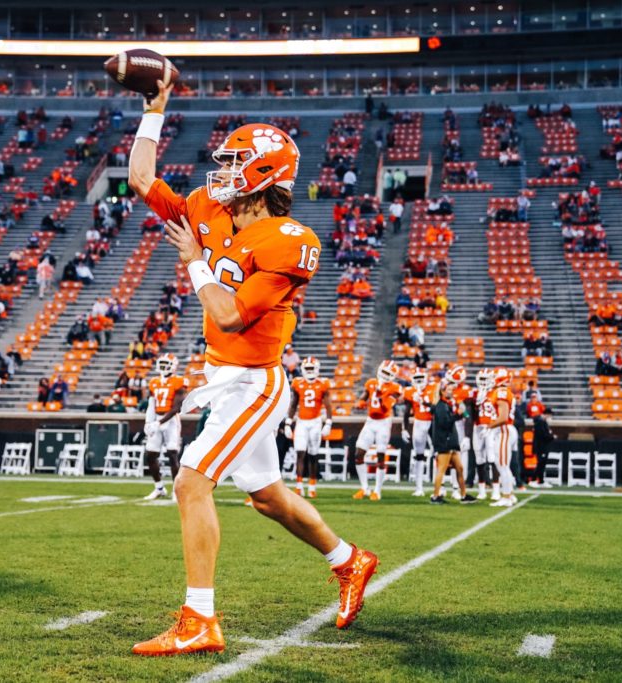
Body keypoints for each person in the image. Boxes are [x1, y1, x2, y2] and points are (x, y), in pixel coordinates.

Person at [128, 80, 377, 656]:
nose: (222, 173)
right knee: (268, 497)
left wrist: (195, 262)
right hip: (222, 378)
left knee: (191, 482)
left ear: (264, 173)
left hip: (254, 382)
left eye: (235, 163)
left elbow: (231, 315)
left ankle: (199, 620)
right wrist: (154, 110)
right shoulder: (209, 207)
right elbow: (141, 179)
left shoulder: (289, 239)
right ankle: (349, 560)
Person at [353, 361, 403, 501]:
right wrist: (360, 403)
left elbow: (386, 407)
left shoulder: (395, 388)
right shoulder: (371, 383)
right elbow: (364, 397)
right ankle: (364, 488)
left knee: (381, 456)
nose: (385, 375)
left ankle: (377, 490)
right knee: (358, 454)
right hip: (370, 421)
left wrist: (381, 396)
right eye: (384, 372)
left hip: (383, 423)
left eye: (388, 373)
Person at [285, 356, 333, 498]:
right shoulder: (297, 383)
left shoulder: (323, 384)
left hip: (315, 422)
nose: (310, 371)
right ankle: (299, 486)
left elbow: (328, 405)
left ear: (317, 369)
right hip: (301, 422)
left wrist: (328, 422)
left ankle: (312, 486)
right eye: (308, 368)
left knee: (313, 455)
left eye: (312, 368)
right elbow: (293, 404)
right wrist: (288, 423)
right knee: (300, 453)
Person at [142, 354, 188, 502]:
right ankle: (159, 488)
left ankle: (176, 490)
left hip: (171, 421)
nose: (162, 366)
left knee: (172, 454)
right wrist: (148, 422)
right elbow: (151, 404)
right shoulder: (154, 381)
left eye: (166, 363)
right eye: (161, 363)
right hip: (156, 418)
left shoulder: (179, 381)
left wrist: (159, 422)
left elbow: (177, 407)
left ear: (173, 365)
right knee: (150, 454)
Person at [428, 380, 476, 505]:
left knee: (460, 468)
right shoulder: (440, 405)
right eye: (448, 390)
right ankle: (435, 496)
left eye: (451, 389)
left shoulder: (446, 404)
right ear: (442, 391)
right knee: (442, 469)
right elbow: (445, 423)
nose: (451, 392)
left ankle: (464, 495)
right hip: (445, 441)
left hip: (450, 441)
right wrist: (458, 415)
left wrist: (460, 414)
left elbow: (455, 418)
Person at [480, 367, 518, 507]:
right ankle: (510, 494)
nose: (491, 380)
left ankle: (506, 496)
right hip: (504, 430)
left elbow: (503, 417)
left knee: (502, 465)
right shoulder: (501, 391)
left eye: (493, 377)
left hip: (503, 430)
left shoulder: (501, 392)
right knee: (503, 465)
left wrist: (489, 426)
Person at [402, 368, 436, 498]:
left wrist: (423, 401)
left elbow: (436, 407)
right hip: (418, 422)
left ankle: (440, 487)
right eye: (416, 379)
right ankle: (419, 488)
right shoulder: (409, 391)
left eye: (421, 378)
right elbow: (406, 412)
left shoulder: (434, 388)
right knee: (419, 455)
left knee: (438, 455)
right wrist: (404, 428)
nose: (419, 381)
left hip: (433, 422)